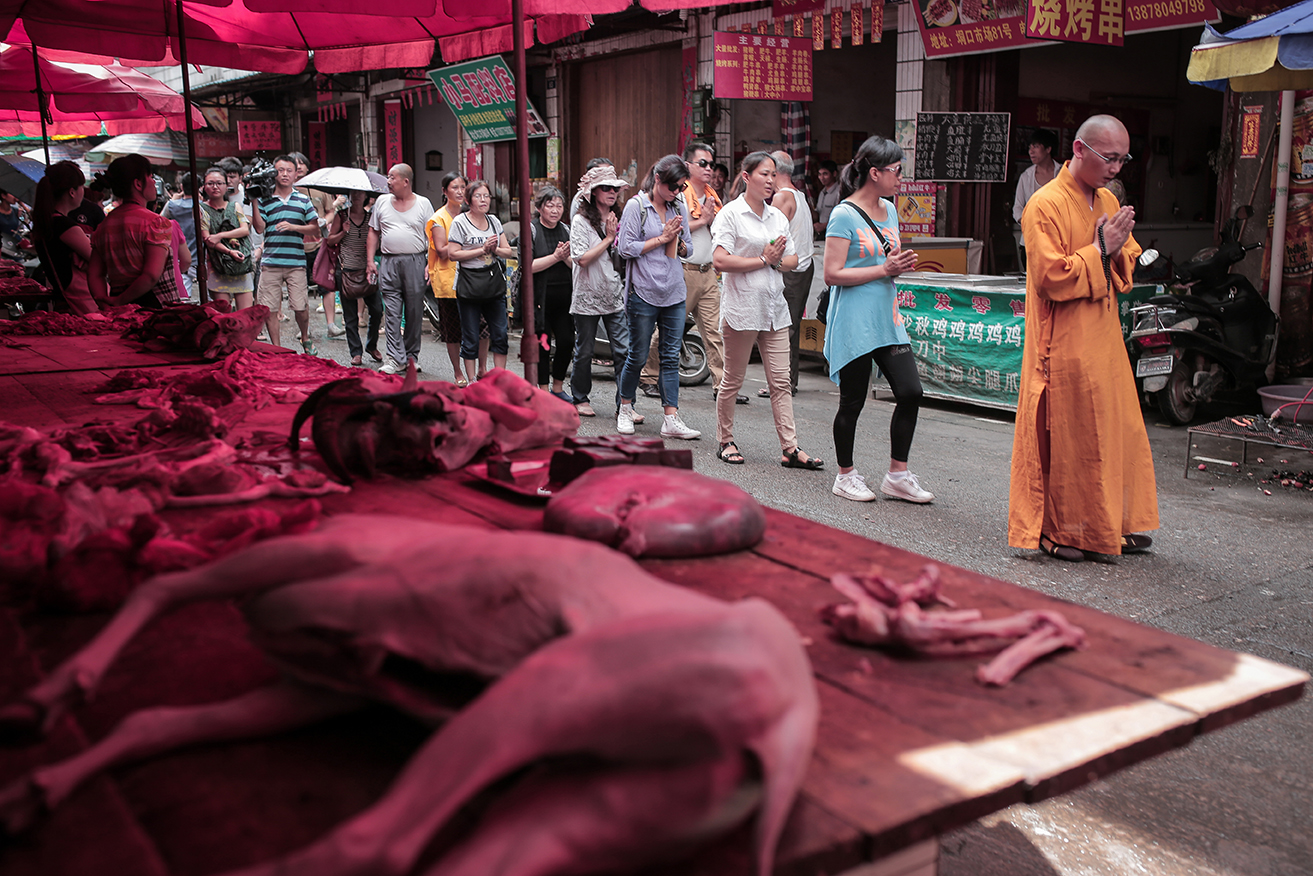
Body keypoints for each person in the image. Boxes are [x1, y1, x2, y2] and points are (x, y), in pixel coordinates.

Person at [1008, 114, 1158, 562]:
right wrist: (1100, 249)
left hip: (1105, 337)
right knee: (1071, 436)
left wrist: (1120, 244)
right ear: (1078, 150)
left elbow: (1125, 260)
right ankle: (1059, 530)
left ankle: (1109, 523)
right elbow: (1051, 277)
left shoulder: (1107, 198)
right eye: (1108, 158)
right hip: (1064, 342)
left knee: (1115, 430)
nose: (1116, 168)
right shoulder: (1044, 204)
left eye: (1122, 159)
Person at [822, 135, 933, 504]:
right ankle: (845, 474)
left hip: (887, 317)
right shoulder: (843, 214)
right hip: (854, 319)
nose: (901, 177)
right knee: (852, 401)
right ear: (875, 172)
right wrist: (882, 267)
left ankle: (897, 475)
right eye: (896, 170)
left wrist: (896, 267)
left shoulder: (891, 209)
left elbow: (886, 265)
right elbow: (833, 274)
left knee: (910, 392)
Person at [711, 152, 823, 471]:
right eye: (764, 174)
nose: (771, 181)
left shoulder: (777, 217)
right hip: (742, 308)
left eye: (774, 174)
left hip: (774, 308)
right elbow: (720, 260)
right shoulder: (731, 215)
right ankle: (725, 440)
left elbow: (792, 260)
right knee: (733, 380)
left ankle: (790, 448)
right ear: (747, 177)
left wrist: (772, 259)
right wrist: (762, 260)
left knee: (781, 382)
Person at [640, 142, 743, 405]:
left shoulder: (712, 197)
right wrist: (704, 220)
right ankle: (648, 376)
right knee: (667, 329)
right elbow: (672, 230)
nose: (710, 169)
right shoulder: (678, 195)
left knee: (715, 331)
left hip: (708, 272)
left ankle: (723, 386)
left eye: (711, 164)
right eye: (703, 164)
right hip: (683, 270)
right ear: (688, 166)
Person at [615, 154, 699, 440]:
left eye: (681, 188)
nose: (677, 193)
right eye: (673, 187)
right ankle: (625, 407)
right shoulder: (635, 206)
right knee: (637, 355)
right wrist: (661, 239)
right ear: (658, 180)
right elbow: (625, 248)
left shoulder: (678, 206)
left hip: (674, 291)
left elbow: (689, 247)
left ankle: (671, 418)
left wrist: (681, 244)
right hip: (643, 292)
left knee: (670, 356)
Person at [568, 165, 634, 420]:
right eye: (606, 188)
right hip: (587, 293)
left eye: (615, 188)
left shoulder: (620, 216)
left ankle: (625, 404)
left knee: (623, 350)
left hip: (614, 291)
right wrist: (608, 238)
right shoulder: (580, 221)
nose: (612, 192)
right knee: (585, 350)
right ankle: (580, 398)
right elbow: (581, 259)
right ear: (593, 192)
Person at [87, 154, 183, 309]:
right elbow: (151, 275)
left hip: (118, 307)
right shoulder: (155, 222)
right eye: (150, 177)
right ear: (138, 184)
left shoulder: (104, 226)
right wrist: (120, 301)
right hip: (155, 307)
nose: (153, 182)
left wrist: (105, 303)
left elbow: (95, 274)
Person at [366, 163, 434, 375]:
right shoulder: (382, 202)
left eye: (392, 177)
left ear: (406, 181)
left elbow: (433, 236)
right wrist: (370, 261)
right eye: (388, 177)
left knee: (414, 311)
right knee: (392, 311)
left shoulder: (423, 204)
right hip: (389, 261)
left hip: (415, 261)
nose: (388, 181)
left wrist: (430, 265)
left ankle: (411, 356)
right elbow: (373, 232)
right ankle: (395, 357)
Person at [250, 154, 320, 354]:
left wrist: (293, 226)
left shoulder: (303, 199)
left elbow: (314, 229)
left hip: (296, 262)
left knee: (300, 307)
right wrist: (254, 201)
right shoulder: (265, 199)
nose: (285, 174)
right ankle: (276, 348)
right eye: (280, 170)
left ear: (295, 173)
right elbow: (259, 227)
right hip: (270, 261)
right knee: (270, 309)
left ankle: (305, 337)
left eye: (289, 170)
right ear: (273, 173)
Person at [446, 179, 512, 382]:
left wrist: (494, 250)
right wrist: (481, 250)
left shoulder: (494, 221)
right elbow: (453, 254)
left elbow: (507, 251)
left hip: (493, 284)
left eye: (486, 196)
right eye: (478, 196)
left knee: (500, 334)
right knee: (471, 336)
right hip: (469, 285)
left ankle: (499, 378)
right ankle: (472, 380)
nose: (483, 200)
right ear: (468, 200)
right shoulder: (460, 222)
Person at [426, 173, 488, 385]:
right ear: (445, 192)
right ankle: (458, 372)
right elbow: (443, 251)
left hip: (474, 280)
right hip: (448, 282)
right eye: (455, 187)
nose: (460, 191)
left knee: (482, 326)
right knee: (453, 330)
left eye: (463, 187)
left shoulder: (472, 215)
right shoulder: (438, 219)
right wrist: (473, 247)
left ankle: (482, 368)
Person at [769, 150, 815, 397]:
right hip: (804, 268)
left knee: (783, 327)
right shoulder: (799, 195)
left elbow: (772, 238)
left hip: (791, 270)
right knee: (790, 326)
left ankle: (783, 383)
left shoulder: (782, 198)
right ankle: (786, 381)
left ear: (776, 170)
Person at [523, 186, 574, 400]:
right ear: (539, 208)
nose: (555, 210)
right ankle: (543, 389)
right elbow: (527, 266)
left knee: (566, 342)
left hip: (565, 297)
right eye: (550, 205)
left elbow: (576, 265)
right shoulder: (532, 230)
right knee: (542, 344)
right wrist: (556, 256)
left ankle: (559, 386)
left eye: (559, 206)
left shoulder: (567, 230)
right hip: (540, 298)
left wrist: (564, 258)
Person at [326, 190, 383, 367]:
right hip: (347, 270)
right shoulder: (342, 215)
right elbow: (330, 241)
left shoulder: (371, 217)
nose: (357, 197)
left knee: (377, 309)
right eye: (354, 194)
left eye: (361, 194)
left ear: (366, 196)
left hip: (367, 269)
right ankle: (356, 352)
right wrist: (343, 232)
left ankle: (371, 345)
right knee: (350, 316)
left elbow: (378, 239)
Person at [31, 161, 97, 314]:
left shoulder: (49, 222)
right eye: (81, 186)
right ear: (72, 192)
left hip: (65, 300)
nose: (84, 191)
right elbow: (98, 259)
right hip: (79, 302)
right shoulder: (65, 226)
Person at [292, 152, 345, 338]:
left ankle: (331, 325)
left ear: (307, 167)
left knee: (327, 284)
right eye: (294, 165)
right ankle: (303, 329)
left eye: (301, 164)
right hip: (296, 245)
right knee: (300, 288)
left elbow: (331, 211)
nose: (298, 167)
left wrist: (324, 220)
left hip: (319, 244)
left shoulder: (319, 190)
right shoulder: (287, 191)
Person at [198, 167, 254, 311]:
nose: (215, 187)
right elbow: (207, 239)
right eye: (210, 183)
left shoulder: (235, 206)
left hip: (240, 265)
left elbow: (245, 229)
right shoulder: (201, 209)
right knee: (224, 316)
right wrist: (230, 252)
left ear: (226, 186)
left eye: (219, 183)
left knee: (245, 315)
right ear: (204, 186)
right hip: (218, 267)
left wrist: (220, 235)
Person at [1013, 129, 1060, 270]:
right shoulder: (1026, 177)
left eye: (1036, 146)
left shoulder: (1063, 174)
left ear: (1048, 149)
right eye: (1030, 147)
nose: (1031, 151)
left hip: (1058, 244)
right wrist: (1028, 222)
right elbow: (1017, 208)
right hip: (1030, 243)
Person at [161, 173, 198, 299]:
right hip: (202, 260)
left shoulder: (172, 205)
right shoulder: (203, 205)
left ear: (182, 187)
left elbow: (159, 221)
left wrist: (174, 200)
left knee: (183, 300)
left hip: (180, 259)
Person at [813, 159, 841, 237]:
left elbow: (842, 217)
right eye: (819, 174)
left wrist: (824, 225)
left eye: (825, 174)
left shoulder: (839, 192)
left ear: (834, 173)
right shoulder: (822, 192)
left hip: (835, 233)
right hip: (822, 234)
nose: (822, 177)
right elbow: (818, 214)